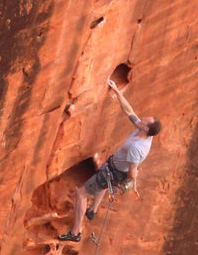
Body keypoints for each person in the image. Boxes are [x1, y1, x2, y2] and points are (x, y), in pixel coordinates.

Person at [59, 79, 161, 242]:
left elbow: (133, 172)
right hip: (114, 167)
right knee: (104, 181)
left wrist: (125, 183)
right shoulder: (142, 132)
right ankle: (92, 211)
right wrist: (117, 91)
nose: (140, 119)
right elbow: (129, 111)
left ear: (146, 128)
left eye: (144, 121)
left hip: (117, 172)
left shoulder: (137, 147)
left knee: (82, 193)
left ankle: (75, 233)